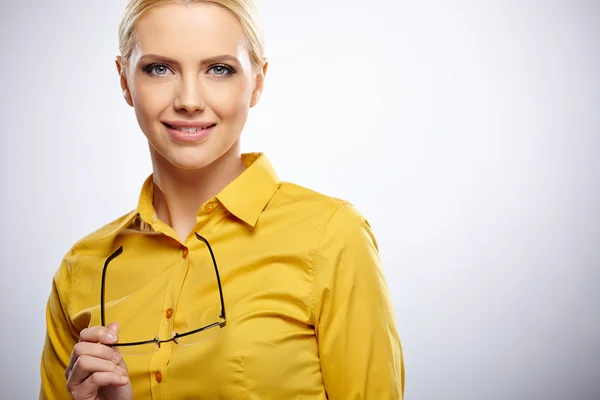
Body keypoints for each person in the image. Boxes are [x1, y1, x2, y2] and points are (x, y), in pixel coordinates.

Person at [39, 0, 405, 398]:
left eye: (219, 69)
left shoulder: (333, 237)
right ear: (124, 80)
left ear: (258, 81)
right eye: (160, 68)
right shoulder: (81, 270)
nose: (190, 100)